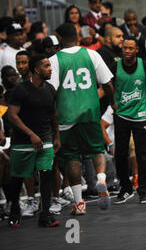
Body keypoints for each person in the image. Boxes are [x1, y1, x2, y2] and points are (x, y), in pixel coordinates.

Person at [48, 23, 116, 215]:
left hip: (67, 115)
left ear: (59, 38)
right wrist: (113, 103)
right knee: (96, 150)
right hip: (90, 112)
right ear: (77, 35)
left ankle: (79, 203)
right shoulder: (91, 54)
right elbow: (108, 84)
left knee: (72, 159)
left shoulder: (54, 60)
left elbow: (51, 94)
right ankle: (101, 179)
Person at [7, 54, 60, 227]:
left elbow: (53, 115)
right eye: (46, 66)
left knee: (45, 175)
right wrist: (31, 134)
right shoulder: (21, 90)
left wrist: (56, 136)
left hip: (45, 139)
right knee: (17, 178)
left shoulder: (51, 89)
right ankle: (14, 211)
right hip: (22, 142)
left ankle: (45, 215)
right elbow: (12, 116)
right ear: (36, 70)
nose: (50, 68)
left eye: (49, 65)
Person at [111, 37, 146, 204]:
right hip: (121, 115)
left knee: (143, 154)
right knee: (120, 154)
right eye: (125, 48)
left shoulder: (144, 66)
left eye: (130, 48)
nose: (127, 51)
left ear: (136, 50)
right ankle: (126, 189)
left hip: (140, 114)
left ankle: (143, 190)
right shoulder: (115, 66)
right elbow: (106, 87)